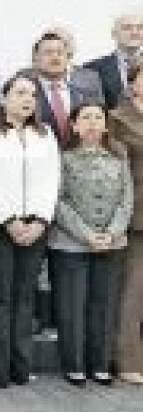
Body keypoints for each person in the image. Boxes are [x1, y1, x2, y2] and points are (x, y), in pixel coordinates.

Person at [0, 73, 60, 388]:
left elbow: (52, 180)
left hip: (36, 226)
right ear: (4, 99)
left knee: (25, 296)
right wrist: (9, 220)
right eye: (20, 93)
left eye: (32, 95)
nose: (28, 99)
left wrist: (40, 220)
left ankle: (21, 366)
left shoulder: (45, 134)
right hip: (0, 226)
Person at [51, 102, 131, 386]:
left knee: (104, 305)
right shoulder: (62, 158)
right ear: (74, 125)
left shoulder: (119, 157)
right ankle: (74, 364)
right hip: (71, 243)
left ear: (106, 125)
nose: (93, 123)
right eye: (85, 118)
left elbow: (126, 200)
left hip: (112, 243)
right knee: (72, 305)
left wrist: (112, 232)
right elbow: (58, 201)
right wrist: (86, 234)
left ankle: (100, 364)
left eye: (98, 117)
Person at [109, 64, 143, 385]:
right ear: (133, 84)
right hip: (137, 215)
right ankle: (128, 359)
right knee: (133, 291)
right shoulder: (117, 119)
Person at [85, 13, 143, 107]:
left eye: (140, 28)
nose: (134, 32)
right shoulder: (92, 69)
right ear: (114, 34)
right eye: (127, 28)